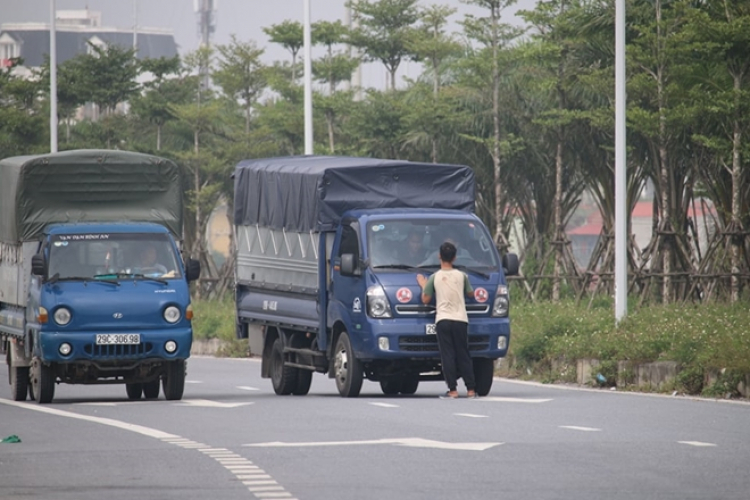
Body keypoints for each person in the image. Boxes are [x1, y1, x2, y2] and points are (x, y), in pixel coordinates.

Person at [416, 241, 477, 399]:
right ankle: (471, 390)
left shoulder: (434, 277)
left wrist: (423, 284)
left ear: (439, 256)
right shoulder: (462, 276)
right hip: (460, 319)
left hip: (443, 319)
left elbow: (425, 299)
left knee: (447, 355)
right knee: (463, 354)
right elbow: (471, 294)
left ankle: (453, 390)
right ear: (455, 258)